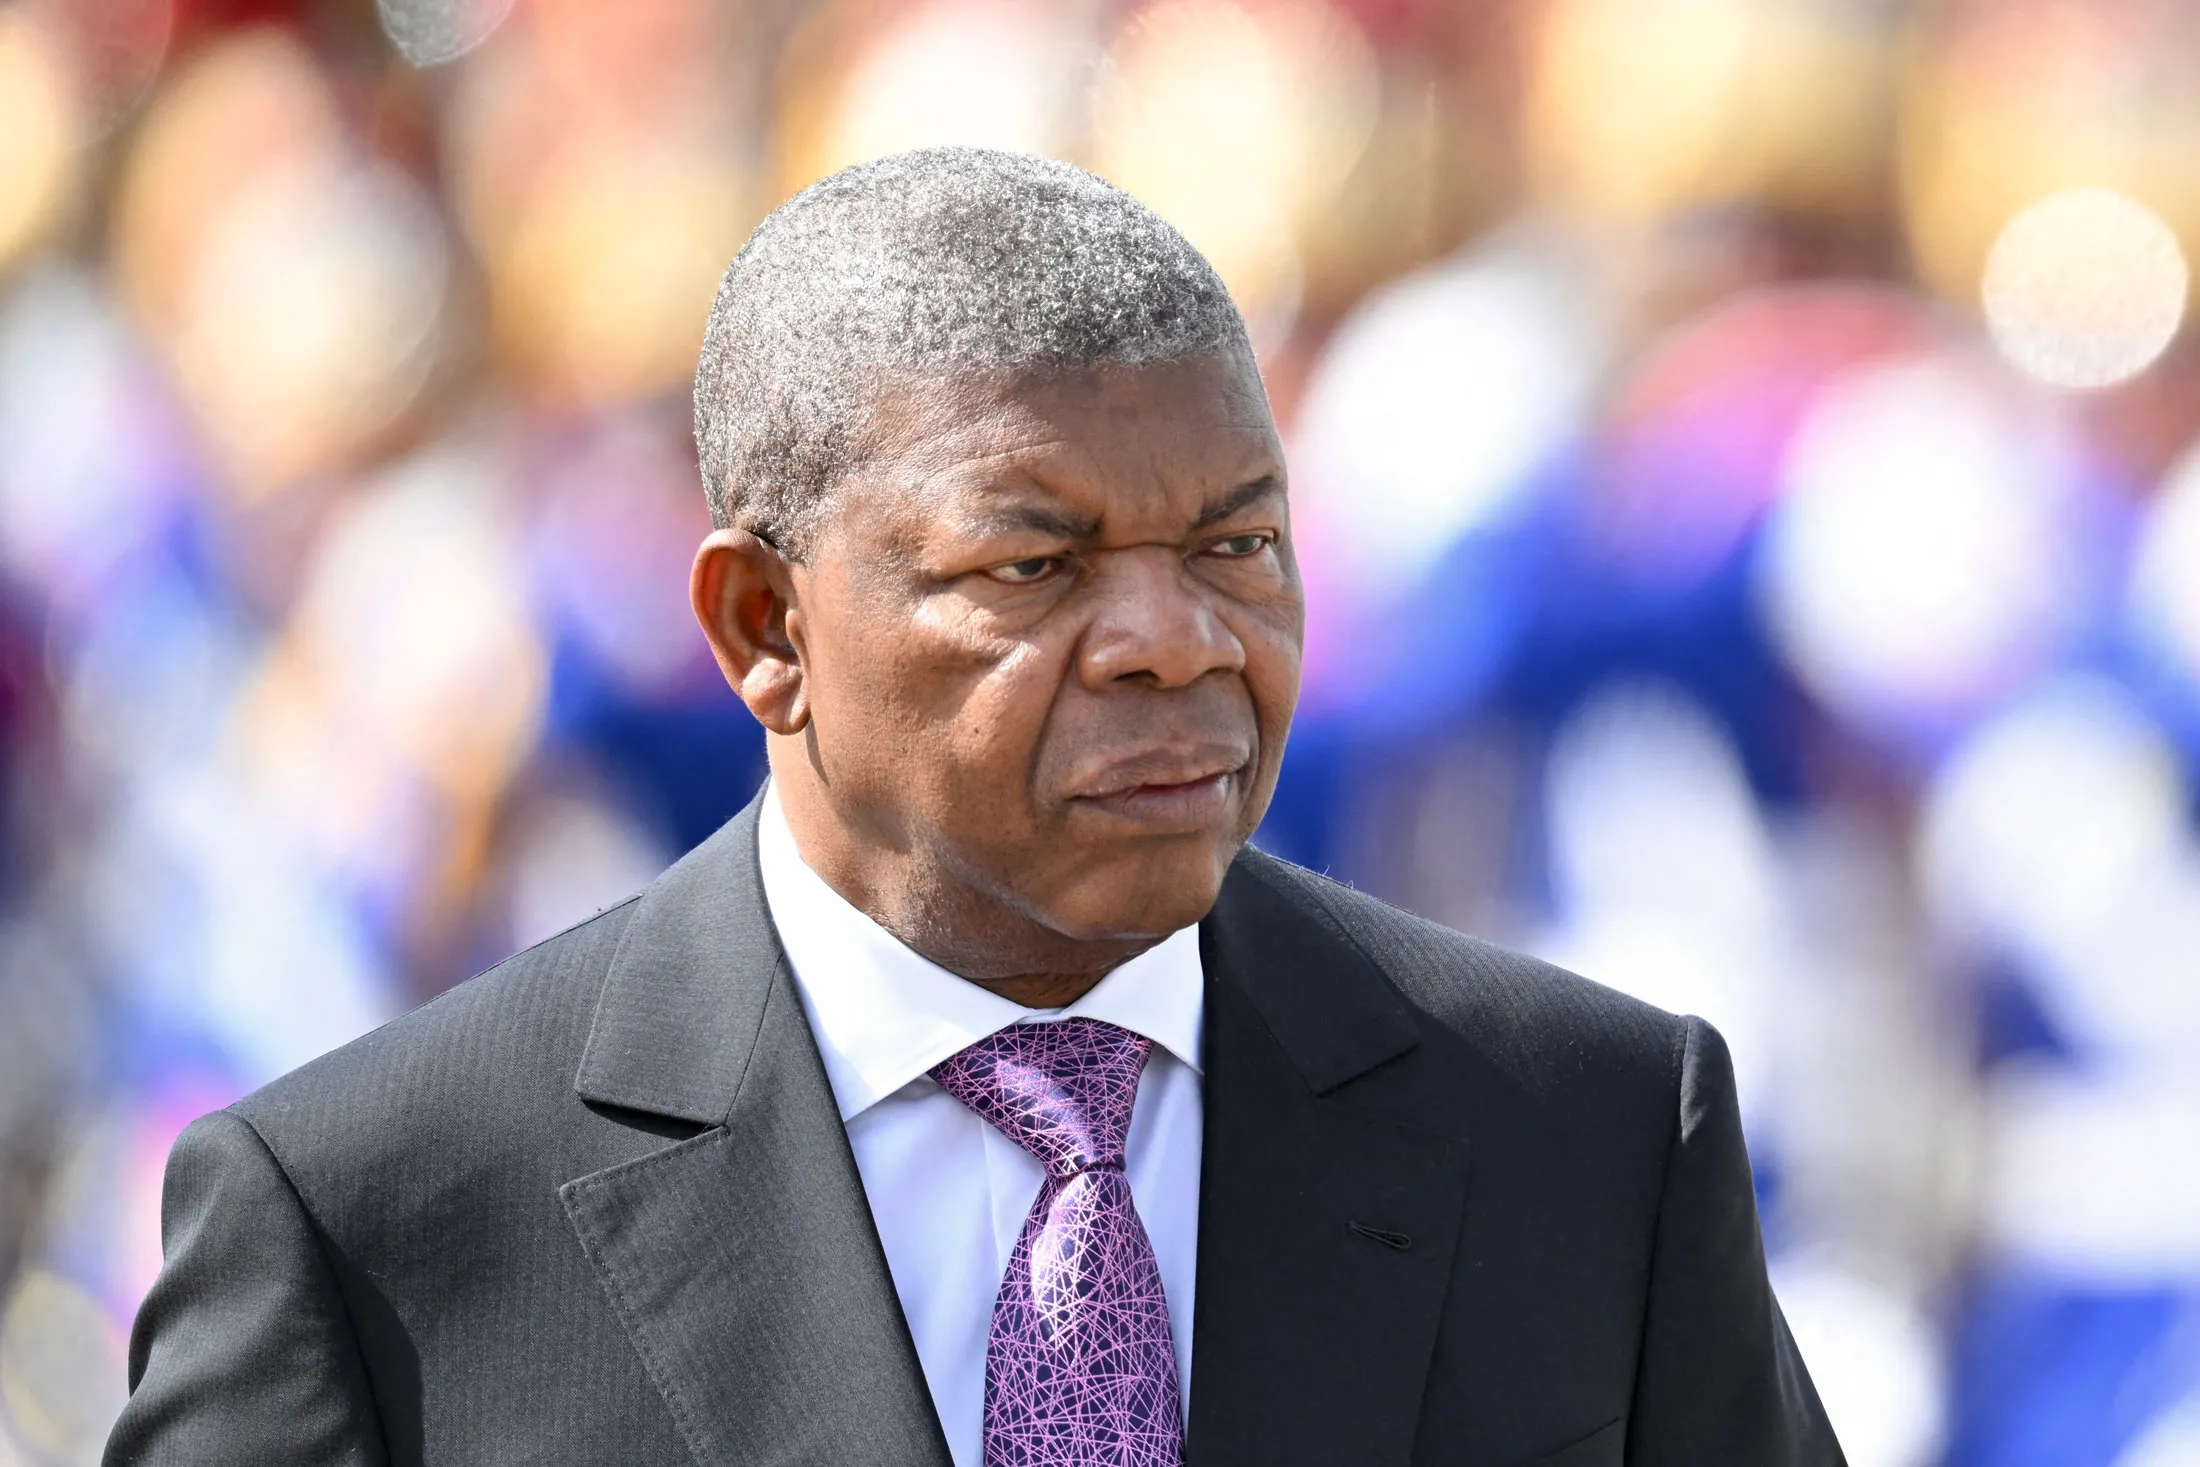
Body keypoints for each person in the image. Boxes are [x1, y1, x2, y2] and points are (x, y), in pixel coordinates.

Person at [107, 148, 1841, 1467]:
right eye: (1036, 562)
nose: (1177, 640)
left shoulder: (1593, 1136)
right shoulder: (374, 1225)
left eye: (1237, 542)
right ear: (763, 626)